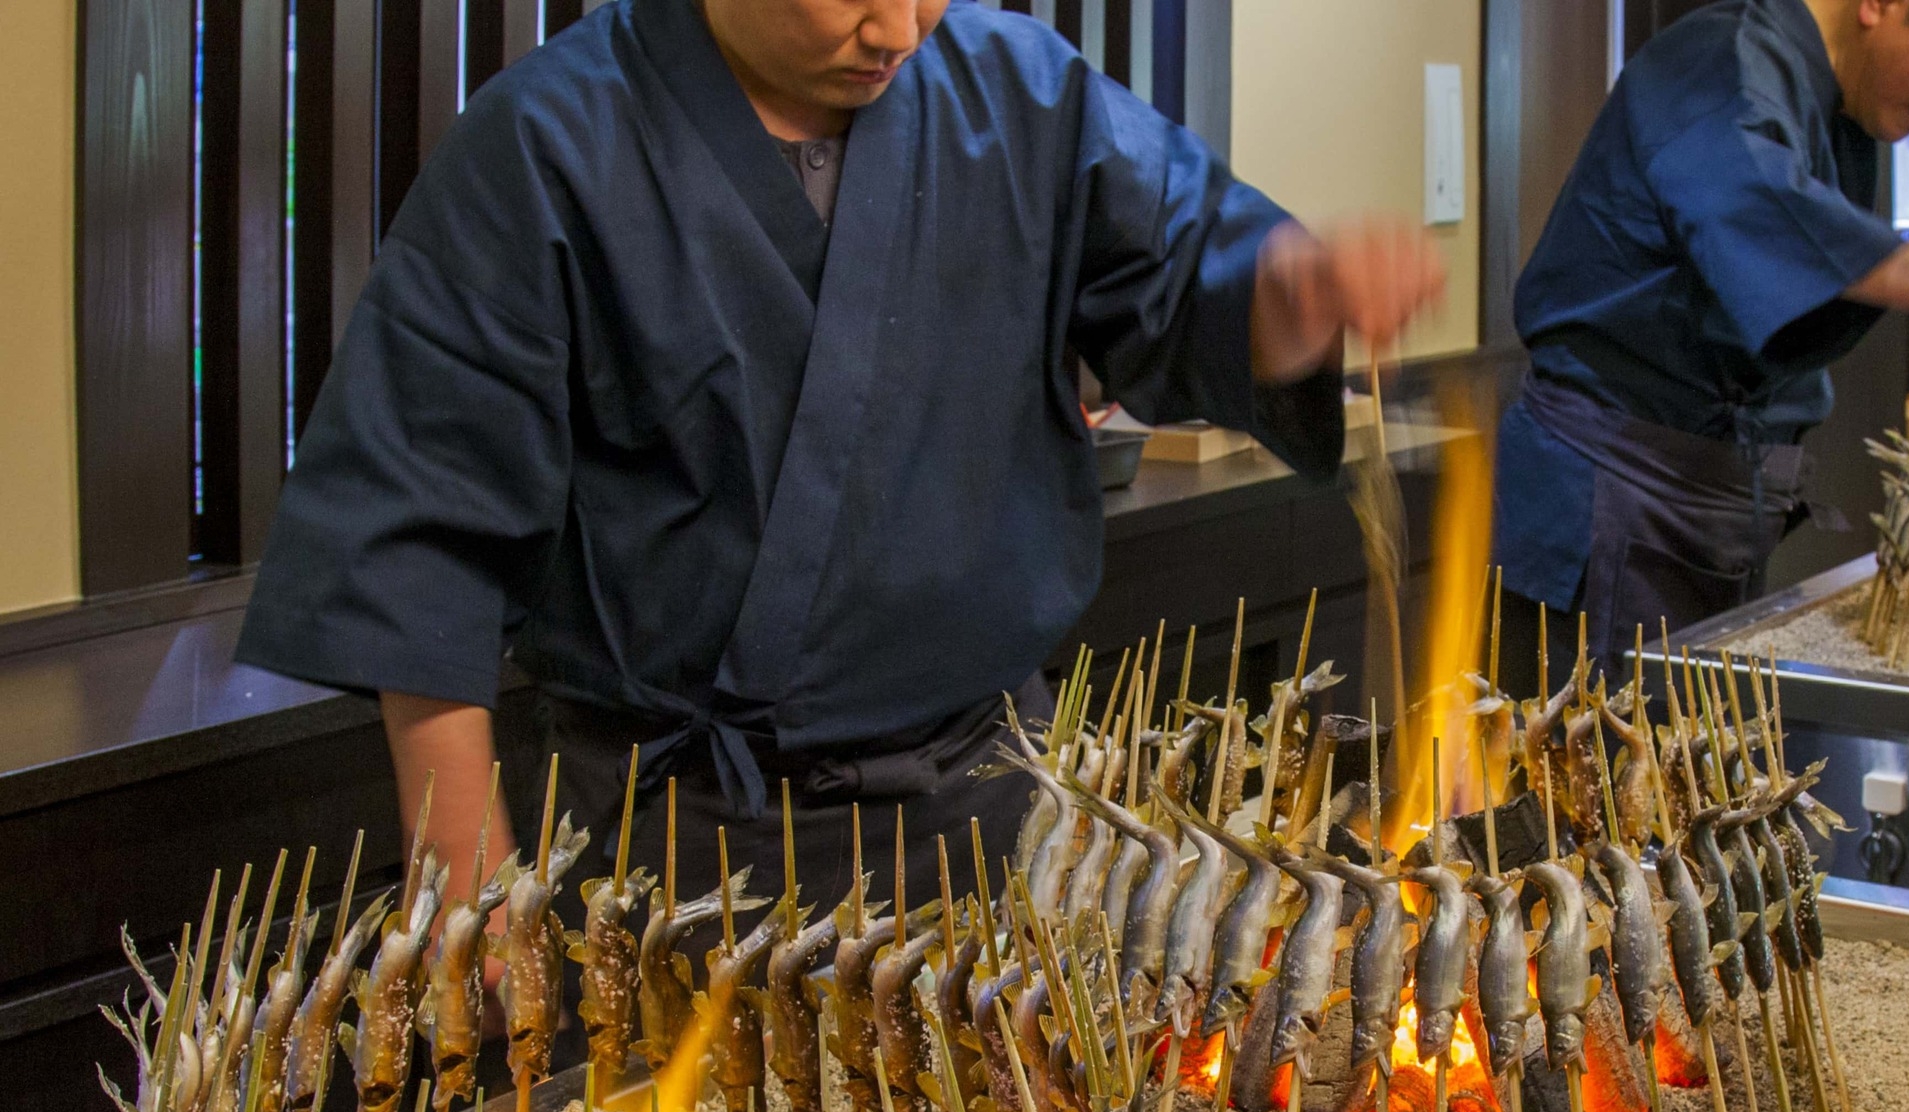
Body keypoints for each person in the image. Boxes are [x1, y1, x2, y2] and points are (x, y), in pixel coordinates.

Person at [236, 0, 1444, 911]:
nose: (901, 28)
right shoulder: (543, 148)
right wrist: (470, 889)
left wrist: (1298, 295)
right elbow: (418, 543)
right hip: (682, 848)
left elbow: (1190, 287)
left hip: (997, 812)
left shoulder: (1018, 94)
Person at [1494, 0, 1909, 661]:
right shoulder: (1717, 59)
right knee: (1588, 754)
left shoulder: (1842, 107)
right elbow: (1757, 202)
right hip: (1608, 497)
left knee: (1693, 751)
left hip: (1708, 500)